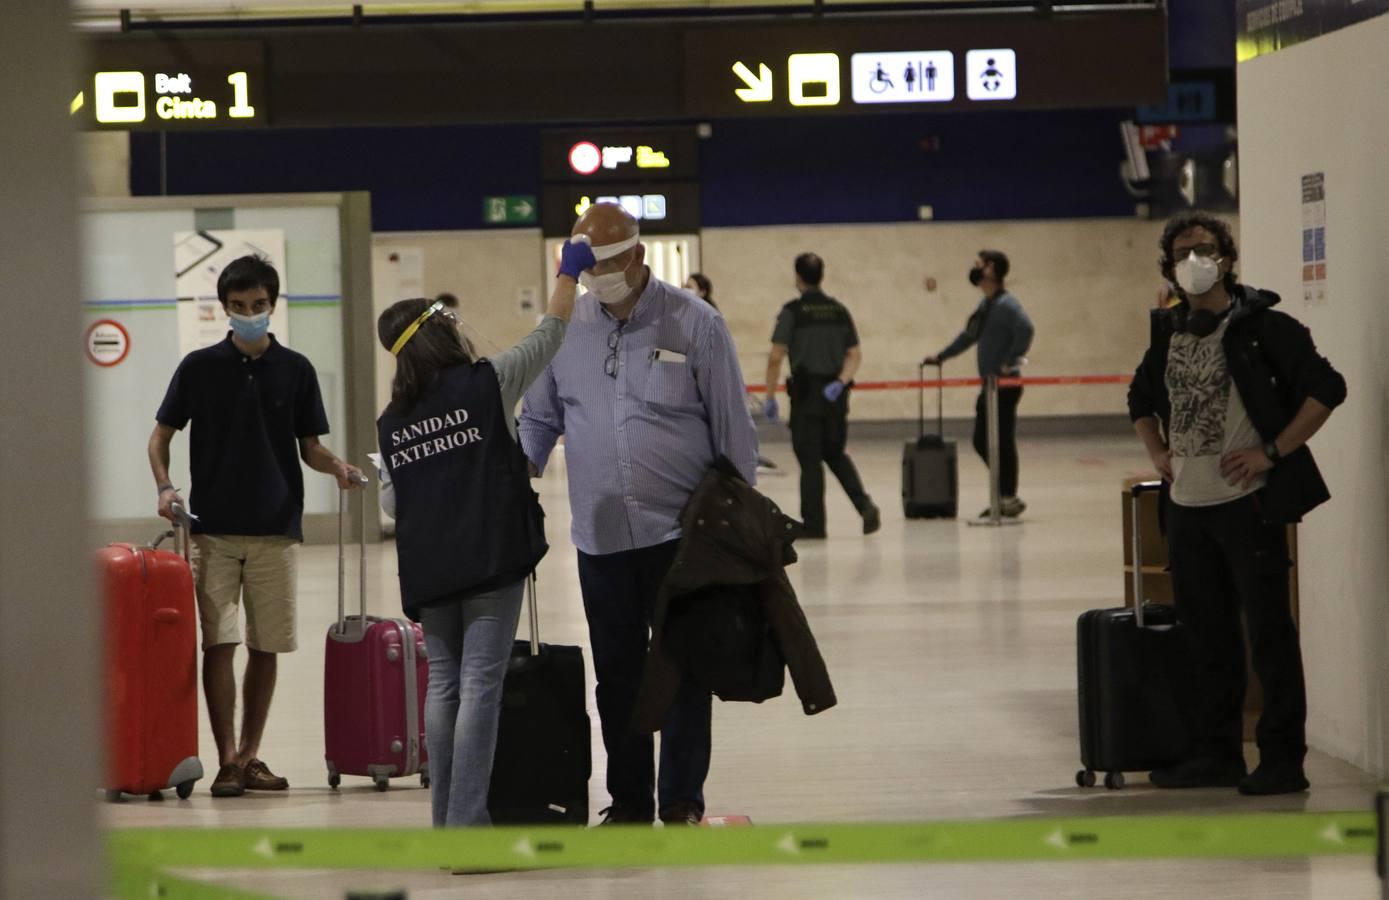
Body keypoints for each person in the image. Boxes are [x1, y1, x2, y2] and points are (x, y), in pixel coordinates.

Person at [519, 202, 758, 827]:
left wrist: (736, 530)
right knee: (617, 677)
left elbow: (734, 431)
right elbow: (540, 417)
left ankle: (681, 801)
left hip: (681, 533)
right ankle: (627, 802)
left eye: (606, 262)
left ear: (638, 255)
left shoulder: (695, 323)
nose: (597, 275)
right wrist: (515, 479)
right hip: (600, 538)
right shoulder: (565, 327)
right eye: (584, 264)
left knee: (682, 670)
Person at [1128, 212, 1345, 795]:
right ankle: (1214, 753)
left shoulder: (1263, 327)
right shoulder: (1169, 333)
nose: (1193, 260)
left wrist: (1272, 451)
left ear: (1225, 256)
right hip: (1188, 507)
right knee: (1207, 636)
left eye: (1203, 248)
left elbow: (1328, 388)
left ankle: (1282, 759)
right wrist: (1158, 454)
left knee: (1269, 632)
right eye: (1181, 253)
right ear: (1169, 269)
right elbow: (1140, 398)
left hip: (1247, 505)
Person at [374, 240, 585, 827]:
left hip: (430, 569)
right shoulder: (486, 382)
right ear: (442, 335)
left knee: (444, 685)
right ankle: (468, 826)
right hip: (490, 561)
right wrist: (567, 272)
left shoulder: (392, 422)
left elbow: (392, 501)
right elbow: (550, 334)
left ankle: (446, 823)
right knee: (481, 687)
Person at [148, 255, 364, 798]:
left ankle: (250, 757)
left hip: (276, 528)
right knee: (217, 644)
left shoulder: (296, 369)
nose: (250, 314)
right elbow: (160, 438)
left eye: (259, 306)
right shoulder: (198, 367)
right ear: (224, 308)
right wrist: (165, 487)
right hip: (213, 530)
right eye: (240, 307)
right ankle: (224, 761)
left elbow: (309, 447)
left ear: (273, 305)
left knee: (265, 645)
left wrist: (337, 466)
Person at [763, 253, 880, 539]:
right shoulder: (839, 311)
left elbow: (776, 356)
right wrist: (841, 381)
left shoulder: (793, 312)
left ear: (798, 277)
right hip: (835, 396)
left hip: (806, 395)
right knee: (835, 453)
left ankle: (814, 525)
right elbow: (854, 355)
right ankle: (865, 506)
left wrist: (769, 396)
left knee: (809, 459)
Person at [923, 249, 1033, 518]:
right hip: (990, 386)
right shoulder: (987, 305)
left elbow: (1026, 328)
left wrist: (1011, 360)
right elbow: (968, 335)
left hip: (1004, 386)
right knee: (986, 440)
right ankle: (1005, 494)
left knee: (999, 441)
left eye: (979, 265)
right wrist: (941, 357)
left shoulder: (1008, 305)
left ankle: (1007, 496)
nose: (974, 269)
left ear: (991, 270)